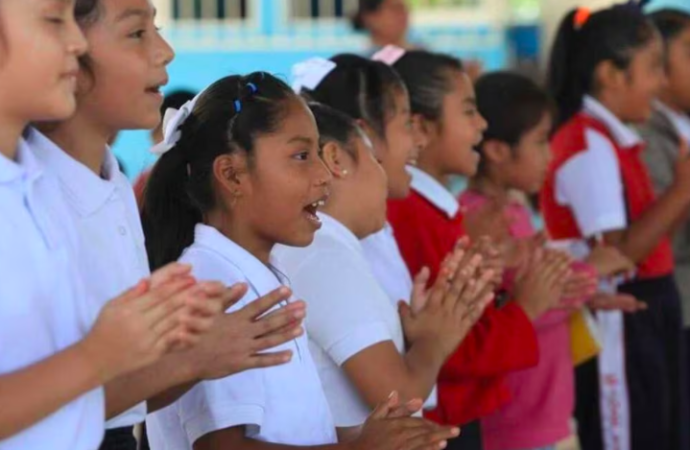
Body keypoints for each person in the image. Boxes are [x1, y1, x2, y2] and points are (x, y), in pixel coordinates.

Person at [141, 72, 460, 450]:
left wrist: (368, 435)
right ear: (232, 175)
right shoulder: (217, 285)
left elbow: (291, 430)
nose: (324, 175)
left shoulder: (257, 274)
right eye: (301, 156)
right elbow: (222, 446)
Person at [0, 1, 216, 448]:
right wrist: (98, 356)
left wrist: (188, 349)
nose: (75, 45)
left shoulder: (40, 182)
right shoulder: (42, 186)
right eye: (53, 21)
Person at [275, 102, 495, 441]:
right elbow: (400, 400)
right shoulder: (322, 253)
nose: (384, 177)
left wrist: (414, 337)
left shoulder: (324, 249)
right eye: (375, 160)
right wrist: (434, 340)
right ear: (336, 160)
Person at [385, 47, 570, 450]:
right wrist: (527, 305)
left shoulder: (435, 211)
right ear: (422, 128)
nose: (481, 125)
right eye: (469, 112)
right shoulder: (411, 214)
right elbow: (452, 347)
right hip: (441, 419)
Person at [466, 71, 644, 450]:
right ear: (498, 150)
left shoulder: (511, 212)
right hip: (516, 421)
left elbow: (536, 293)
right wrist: (591, 270)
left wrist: (588, 293)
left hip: (545, 411)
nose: (551, 154)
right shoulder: (480, 221)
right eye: (541, 142)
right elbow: (523, 307)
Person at [541, 4, 690, 449]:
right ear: (611, 75)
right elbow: (618, 253)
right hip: (619, 315)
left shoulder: (613, 137)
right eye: (652, 69)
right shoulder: (588, 143)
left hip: (646, 310)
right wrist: (682, 189)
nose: (660, 83)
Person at [639, 8, 690, 409]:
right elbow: (654, 245)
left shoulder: (679, 125)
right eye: (689, 51)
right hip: (678, 310)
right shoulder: (643, 136)